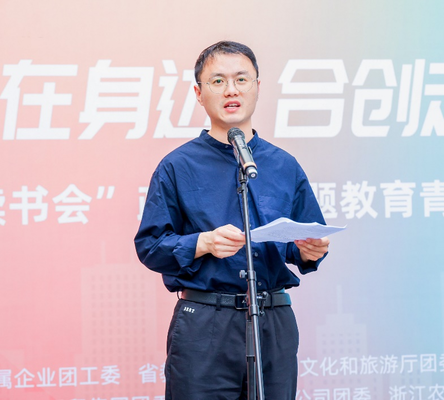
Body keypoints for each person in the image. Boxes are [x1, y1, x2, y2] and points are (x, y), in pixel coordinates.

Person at [134, 40, 330, 399]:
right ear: (199, 93)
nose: (231, 90)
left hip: (273, 320)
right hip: (205, 323)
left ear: (257, 86)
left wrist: (310, 250)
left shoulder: (283, 165)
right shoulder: (177, 166)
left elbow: (302, 239)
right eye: (218, 81)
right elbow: (150, 247)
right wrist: (202, 242)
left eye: (241, 79)